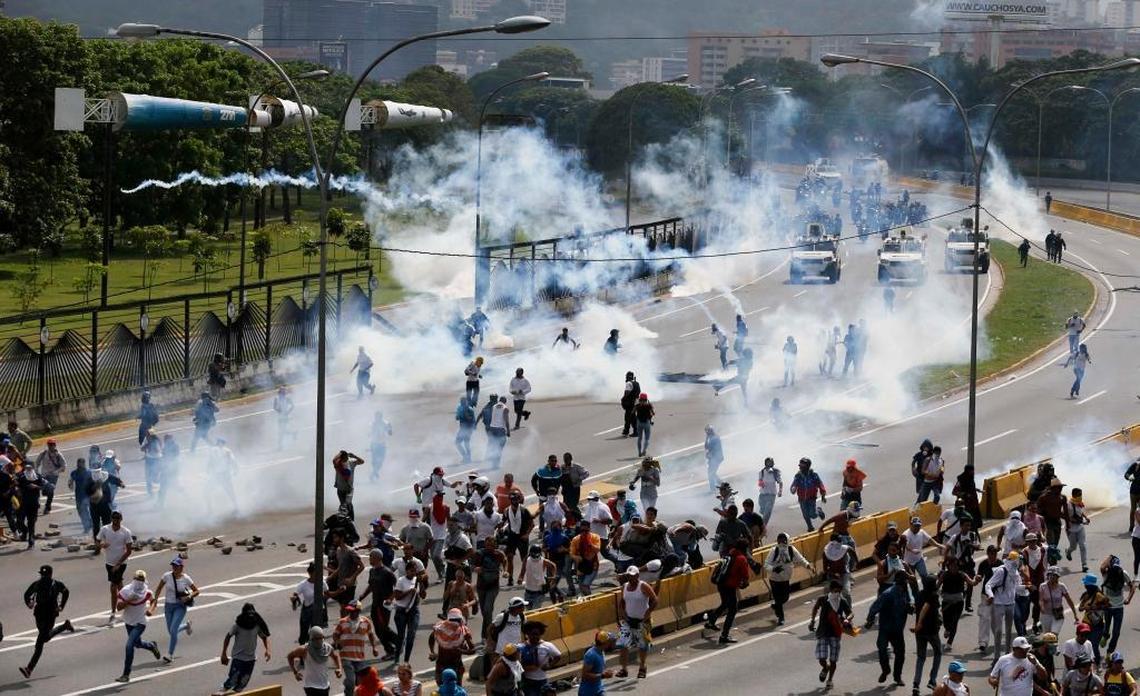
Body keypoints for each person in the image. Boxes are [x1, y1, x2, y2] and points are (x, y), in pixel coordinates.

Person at [20, 564, 75, 678]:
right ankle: (65, 626)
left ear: (50, 575)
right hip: (39, 615)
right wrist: (29, 603)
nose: (43, 577)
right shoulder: (37, 584)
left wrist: (61, 606)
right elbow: (26, 594)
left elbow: (66, 592)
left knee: (41, 641)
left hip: (50, 615)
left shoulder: (56, 584)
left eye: (45, 575)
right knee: (45, 637)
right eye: (42, 575)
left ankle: (29, 669)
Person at [867, 572, 914, 687]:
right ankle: (885, 670)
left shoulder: (905, 591)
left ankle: (897, 677)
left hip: (898, 629)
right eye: (904, 581)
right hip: (885, 628)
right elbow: (875, 606)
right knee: (882, 649)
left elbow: (910, 602)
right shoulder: (888, 594)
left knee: (900, 654)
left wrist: (910, 606)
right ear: (898, 582)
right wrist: (870, 620)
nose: (906, 584)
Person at [114, 569, 161, 683]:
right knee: (137, 643)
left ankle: (126, 674)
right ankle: (151, 646)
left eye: (142, 579)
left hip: (140, 623)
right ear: (134, 579)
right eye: (137, 579)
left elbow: (154, 601)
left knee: (129, 646)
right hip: (129, 621)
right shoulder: (126, 591)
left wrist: (150, 610)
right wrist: (129, 600)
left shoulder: (146, 591)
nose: (139, 582)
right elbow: (118, 607)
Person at [151, 556, 198, 662]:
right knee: (171, 631)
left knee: (173, 630)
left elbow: (196, 591)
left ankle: (170, 654)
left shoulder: (186, 578)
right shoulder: (167, 576)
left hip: (180, 607)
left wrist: (189, 597)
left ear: (182, 567)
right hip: (168, 606)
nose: (174, 568)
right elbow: (159, 588)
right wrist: (156, 599)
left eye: (176, 566)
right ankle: (186, 626)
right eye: (173, 566)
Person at [216, 603, 271, 695]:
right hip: (238, 657)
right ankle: (221, 691)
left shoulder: (256, 625)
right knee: (232, 679)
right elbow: (228, 637)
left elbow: (264, 637)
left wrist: (268, 650)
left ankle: (235, 694)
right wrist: (224, 653)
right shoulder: (237, 625)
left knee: (243, 683)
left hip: (251, 659)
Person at [704, 538, 751, 644]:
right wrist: (744, 583)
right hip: (730, 586)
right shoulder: (741, 558)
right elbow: (745, 576)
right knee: (733, 610)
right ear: (745, 548)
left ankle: (711, 621)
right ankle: (724, 635)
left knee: (725, 603)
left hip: (721, 584)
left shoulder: (729, 554)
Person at [810, 580, 854, 689]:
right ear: (831, 590)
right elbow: (815, 608)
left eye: (839, 591)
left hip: (836, 633)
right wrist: (812, 621)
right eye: (836, 591)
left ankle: (830, 680)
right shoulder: (823, 599)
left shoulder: (842, 601)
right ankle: (825, 668)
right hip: (823, 632)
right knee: (821, 658)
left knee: (833, 659)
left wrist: (847, 620)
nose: (837, 593)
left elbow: (851, 613)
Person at [333, 599, 379, 695]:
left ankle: (348, 685)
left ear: (358, 611)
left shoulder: (366, 622)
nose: (350, 612)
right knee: (351, 680)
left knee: (358, 681)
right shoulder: (342, 622)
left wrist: (374, 648)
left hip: (360, 657)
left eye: (353, 611)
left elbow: (371, 635)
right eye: (349, 610)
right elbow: (335, 635)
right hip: (346, 656)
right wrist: (337, 642)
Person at [985, 550, 1024, 659]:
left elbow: (1017, 588)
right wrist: (991, 596)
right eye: (1018, 560)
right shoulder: (1002, 571)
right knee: (998, 631)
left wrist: (1027, 587)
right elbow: (988, 585)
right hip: (999, 604)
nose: (1019, 562)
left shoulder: (1015, 572)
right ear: (1013, 560)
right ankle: (996, 656)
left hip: (1010, 604)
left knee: (1008, 630)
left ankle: (1007, 654)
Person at [98, 510, 133, 623]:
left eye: (118, 518)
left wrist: (118, 564)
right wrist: (101, 545)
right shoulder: (105, 529)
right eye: (114, 518)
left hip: (121, 564)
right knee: (120, 586)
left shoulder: (126, 532)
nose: (115, 520)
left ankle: (113, 613)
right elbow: (97, 541)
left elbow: (128, 551)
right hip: (109, 563)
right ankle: (128, 604)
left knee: (113, 587)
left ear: (121, 519)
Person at [288, 626, 342, 696]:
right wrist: (295, 672)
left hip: (325, 685)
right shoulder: (304, 649)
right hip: (311, 686)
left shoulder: (327, 648)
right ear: (311, 638)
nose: (319, 641)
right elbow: (290, 656)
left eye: (321, 638)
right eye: (316, 639)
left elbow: (336, 656)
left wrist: (339, 668)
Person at [912, 576, 943, 695]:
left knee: (921, 657)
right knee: (938, 652)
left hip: (919, 633)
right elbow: (926, 608)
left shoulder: (919, 594)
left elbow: (917, 608)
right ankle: (932, 679)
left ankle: (916, 684)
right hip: (931, 631)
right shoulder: (933, 596)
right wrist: (920, 623)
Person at [428, 608, 475, 687]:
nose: (454, 622)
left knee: (456, 688)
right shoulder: (440, 628)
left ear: (460, 620)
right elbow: (431, 638)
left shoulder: (463, 632)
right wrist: (432, 652)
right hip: (442, 665)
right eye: (453, 619)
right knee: (443, 688)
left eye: (457, 620)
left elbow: (472, 650)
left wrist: (461, 650)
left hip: (456, 666)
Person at [1099, 555, 1134, 654]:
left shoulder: (1123, 573)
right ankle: (1105, 635)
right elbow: (1102, 567)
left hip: (1119, 608)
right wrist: (1110, 557)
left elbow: (1132, 587)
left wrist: (1128, 599)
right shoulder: (1106, 573)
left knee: (1116, 633)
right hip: (1107, 607)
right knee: (1106, 628)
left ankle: (1109, 652)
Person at [519, 620, 562, 696]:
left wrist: (549, 665)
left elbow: (558, 656)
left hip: (542, 680)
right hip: (528, 682)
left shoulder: (547, 646)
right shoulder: (522, 647)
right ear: (527, 634)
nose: (535, 637)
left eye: (537, 634)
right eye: (533, 634)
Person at [392, 560, 422, 664]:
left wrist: (421, 586)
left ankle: (406, 660)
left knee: (411, 635)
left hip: (413, 610)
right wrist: (409, 591)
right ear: (406, 571)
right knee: (401, 635)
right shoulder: (401, 581)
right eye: (411, 571)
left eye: (415, 571)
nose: (413, 573)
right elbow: (397, 597)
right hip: (402, 610)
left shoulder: (417, 580)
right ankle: (396, 656)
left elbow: (422, 595)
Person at [1078, 574, 1110, 667]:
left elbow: (1108, 605)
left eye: (1086, 585)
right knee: (1084, 644)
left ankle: (1097, 663)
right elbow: (1080, 608)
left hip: (1097, 625)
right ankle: (1085, 662)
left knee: (1094, 645)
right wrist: (1085, 607)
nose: (1085, 586)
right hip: (1086, 624)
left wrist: (1096, 607)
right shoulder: (1086, 595)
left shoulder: (1099, 595)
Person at [790, 457, 827, 531]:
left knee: (812, 514)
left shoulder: (814, 475)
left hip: (811, 498)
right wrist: (793, 489)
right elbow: (793, 485)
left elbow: (820, 484)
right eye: (800, 466)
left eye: (802, 466)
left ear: (807, 466)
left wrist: (823, 495)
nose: (800, 467)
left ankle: (818, 511)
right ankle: (810, 527)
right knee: (805, 514)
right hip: (802, 498)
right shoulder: (798, 476)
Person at [34, 438, 66, 515]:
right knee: (42, 491)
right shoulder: (44, 453)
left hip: (53, 476)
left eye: (52, 444)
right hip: (44, 475)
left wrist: (56, 471)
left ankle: (47, 507)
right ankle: (36, 503)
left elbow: (64, 466)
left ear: (55, 445)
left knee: (50, 490)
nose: (51, 446)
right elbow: (37, 462)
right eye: (49, 445)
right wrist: (36, 471)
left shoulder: (58, 455)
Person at [578, 630, 615, 696]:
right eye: (609, 641)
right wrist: (603, 675)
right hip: (587, 692)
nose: (610, 643)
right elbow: (585, 675)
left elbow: (597, 670)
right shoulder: (591, 655)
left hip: (598, 690)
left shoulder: (601, 652)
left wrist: (606, 672)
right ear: (605, 643)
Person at [332, 450, 364, 520]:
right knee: (344, 505)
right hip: (340, 489)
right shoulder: (338, 465)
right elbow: (334, 460)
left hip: (349, 489)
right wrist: (340, 453)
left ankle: (350, 519)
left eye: (347, 457)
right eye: (345, 457)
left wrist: (354, 456)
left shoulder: (351, 463)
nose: (347, 458)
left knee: (347, 504)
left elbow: (362, 462)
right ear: (341, 458)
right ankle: (346, 519)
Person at [67, 457, 93, 534]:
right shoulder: (74, 473)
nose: (80, 465)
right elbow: (71, 480)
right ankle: (87, 526)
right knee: (81, 512)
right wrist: (70, 484)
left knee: (91, 511)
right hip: (79, 496)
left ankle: (91, 525)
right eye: (79, 463)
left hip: (88, 495)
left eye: (82, 463)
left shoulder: (89, 472)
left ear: (84, 464)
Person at [367, 411, 392, 482]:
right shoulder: (372, 424)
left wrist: (389, 429)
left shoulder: (385, 424)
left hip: (382, 444)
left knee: (380, 460)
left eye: (378, 417)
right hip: (374, 444)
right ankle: (375, 472)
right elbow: (369, 434)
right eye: (376, 417)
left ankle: (374, 473)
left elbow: (390, 433)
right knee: (374, 461)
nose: (377, 419)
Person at [757, 457, 783, 523]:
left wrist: (780, 491)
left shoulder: (775, 472)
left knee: (767, 512)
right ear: (765, 463)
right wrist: (761, 483)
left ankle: (763, 525)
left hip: (771, 495)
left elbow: (780, 482)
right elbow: (759, 481)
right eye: (768, 462)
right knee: (763, 510)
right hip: (762, 494)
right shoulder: (762, 472)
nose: (769, 464)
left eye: (770, 462)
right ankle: (763, 519)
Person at [621, 372, 641, 438]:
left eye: (627, 376)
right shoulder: (636, 383)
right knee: (633, 417)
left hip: (630, 403)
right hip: (636, 402)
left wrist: (623, 399)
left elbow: (627, 392)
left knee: (628, 417)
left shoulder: (629, 383)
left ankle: (626, 431)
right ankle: (636, 431)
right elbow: (639, 392)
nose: (626, 378)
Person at [704, 425, 724, 492]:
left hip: (716, 458)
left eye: (707, 431)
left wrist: (709, 455)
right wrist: (707, 438)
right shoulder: (711, 438)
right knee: (712, 473)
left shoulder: (714, 438)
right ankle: (722, 484)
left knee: (711, 473)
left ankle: (713, 489)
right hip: (714, 458)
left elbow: (711, 449)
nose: (706, 433)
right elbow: (706, 447)